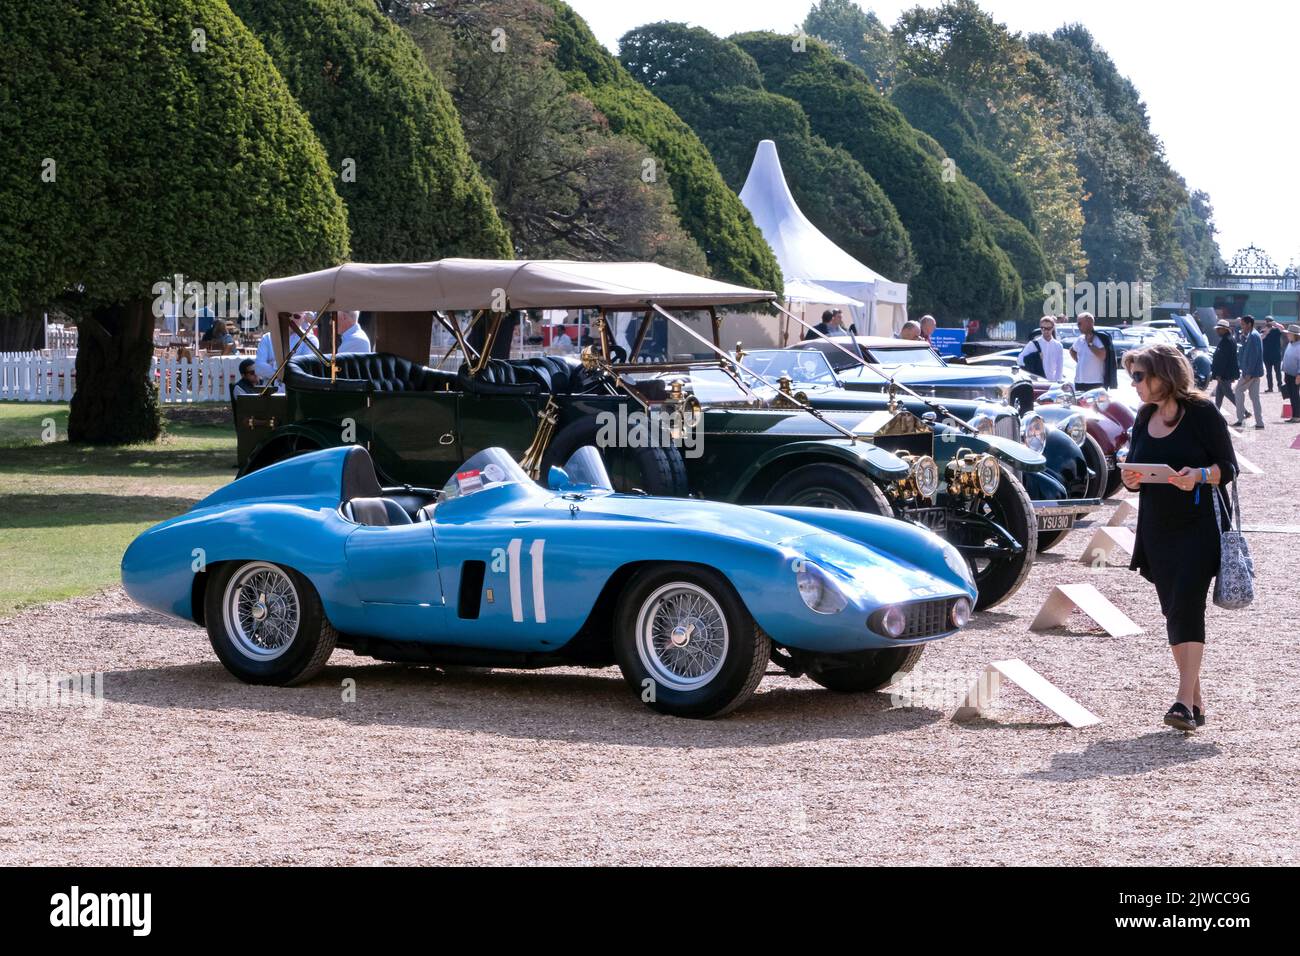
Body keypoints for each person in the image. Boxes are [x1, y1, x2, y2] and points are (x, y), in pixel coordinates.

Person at [1119, 343, 1237, 732]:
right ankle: (1196, 699)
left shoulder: (1202, 411)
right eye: (1132, 375)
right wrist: (1130, 480)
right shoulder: (1142, 415)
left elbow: (1228, 467)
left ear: (1163, 375)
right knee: (1174, 610)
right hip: (1156, 528)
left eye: (1139, 376)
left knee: (1187, 605)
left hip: (1199, 525)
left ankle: (1183, 701)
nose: (1134, 383)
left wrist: (1199, 476)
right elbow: (1136, 468)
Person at [1068, 311, 1115, 390]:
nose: (1078, 326)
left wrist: (1090, 344)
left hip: (1095, 382)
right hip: (1079, 381)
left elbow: (1103, 356)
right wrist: (1080, 361)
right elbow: (1072, 351)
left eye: (1080, 323)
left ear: (1089, 323)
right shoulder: (1080, 339)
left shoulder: (1099, 338)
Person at [1233, 314, 1264, 429]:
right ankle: (1259, 422)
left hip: (1250, 373)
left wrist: (1248, 372)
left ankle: (1241, 419)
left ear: (1249, 324)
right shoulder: (1252, 335)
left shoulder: (1253, 336)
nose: (1241, 326)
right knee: (1255, 397)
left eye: (1243, 324)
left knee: (1238, 391)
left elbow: (1253, 356)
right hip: (1254, 372)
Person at [1018, 315, 1064, 382]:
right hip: (1037, 382)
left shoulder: (1058, 346)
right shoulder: (1034, 344)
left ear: (1053, 328)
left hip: (1052, 383)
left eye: (1048, 328)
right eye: (1043, 328)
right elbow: (1020, 360)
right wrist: (1033, 361)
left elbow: (1059, 367)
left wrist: (1058, 382)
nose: (1045, 330)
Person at [1209, 318, 1239, 411]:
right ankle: (1216, 412)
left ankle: (1244, 411)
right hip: (1225, 373)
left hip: (1225, 374)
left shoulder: (1227, 340)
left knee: (1228, 393)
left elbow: (1224, 359)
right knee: (1219, 394)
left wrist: (1219, 374)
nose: (1217, 331)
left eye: (1219, 329)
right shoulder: (1227, 339)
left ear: (1225, 329)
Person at [1281, 324, 1300, 424]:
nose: (1287, 335)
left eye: (1289, 334)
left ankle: (1297, 416)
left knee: (1295, 396)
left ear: (1294, 335)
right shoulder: (1290, 344)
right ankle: (1295, 415)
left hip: (1295, 375)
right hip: (1288, 374)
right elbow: (1286, 357)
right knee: (1292, 396)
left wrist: (1299, 375)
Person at [1261, 316, 1284, 392]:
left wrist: (1275, 324)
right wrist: (1266, 332)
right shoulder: (1263, 330)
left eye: (1270, 321)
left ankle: (1280, 387)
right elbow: (1260, 338)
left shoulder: (1276, 330)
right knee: (1268, 373)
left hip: (1276, 355)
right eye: (1267, 321)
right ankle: (1270, 388)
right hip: (1267, 356)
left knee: (1278, 372)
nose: (1268, 322)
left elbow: (1282, 329)